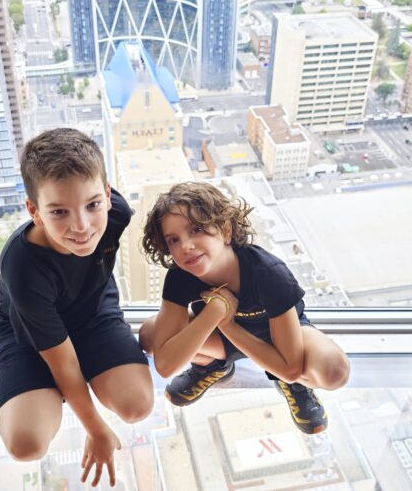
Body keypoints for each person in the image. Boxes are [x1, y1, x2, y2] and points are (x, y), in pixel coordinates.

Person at [0, 128, 153, 487]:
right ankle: (52, 397)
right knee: (26, 445)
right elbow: (62, 359)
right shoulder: (21, 267)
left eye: (93, 204)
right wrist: (95, 427)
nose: (81, 226)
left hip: (92, 311)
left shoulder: (116, 215)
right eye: (59, 212)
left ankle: (79, 385)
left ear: (108, 195)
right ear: (34, 211)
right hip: (32, 338)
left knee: (136, 406)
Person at [138, 182, 349, 434]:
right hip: (223, 337)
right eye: (174, 240)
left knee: (334, 371)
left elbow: (291, 368)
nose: (185, 246)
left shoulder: (268, 273)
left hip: (281, 338)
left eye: (196, 229)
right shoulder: (180, 275)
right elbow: (165, 364)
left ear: (225, 230)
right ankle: (213, 366)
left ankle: (292, 387)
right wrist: (215, 313)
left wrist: (227, 323)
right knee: (151, 335)